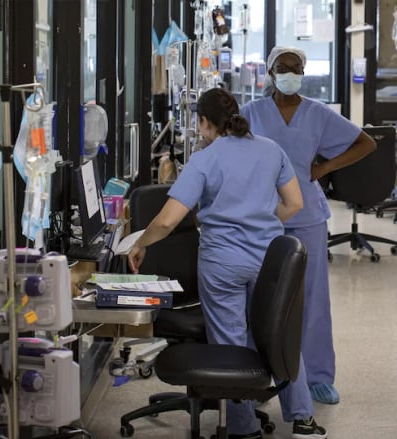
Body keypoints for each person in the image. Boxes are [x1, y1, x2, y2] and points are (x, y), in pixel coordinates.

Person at [129, 88, 327, 439]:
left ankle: (243, 428)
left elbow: (166, 221)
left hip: (223, 264)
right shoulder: (271, 150)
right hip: (269, 260)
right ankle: (302, 419)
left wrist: (140, 244)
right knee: (280, 333)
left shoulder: (205, 160)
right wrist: (263, 221)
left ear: (204, 123)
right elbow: (294, 203)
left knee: (231, 344)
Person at [241, 46, 377, 405]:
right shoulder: (250, 114)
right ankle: (256, 374)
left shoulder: (318, 114)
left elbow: (366, 143)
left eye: (296, 68)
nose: (289, 74)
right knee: (258, 297)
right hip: (262, 216)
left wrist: (323, 168)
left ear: (304, 72)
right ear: (269, 73)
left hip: (307, 218)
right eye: (283, 68)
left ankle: (317, 375)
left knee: (313, 297)